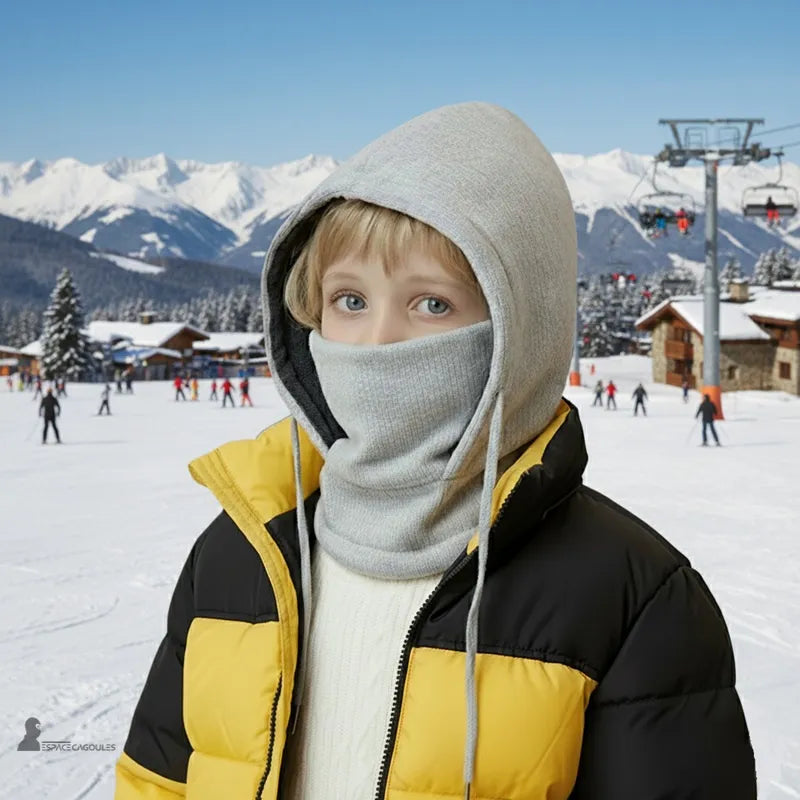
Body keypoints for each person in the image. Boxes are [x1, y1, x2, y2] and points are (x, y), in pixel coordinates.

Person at [115, 103, 755, 799]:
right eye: (350, 301)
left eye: (432, 305)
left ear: (521, 330)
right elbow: (158, 781)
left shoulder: (632, 598)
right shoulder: (244, 552)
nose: (378, 341)